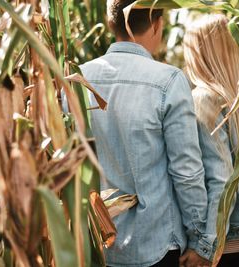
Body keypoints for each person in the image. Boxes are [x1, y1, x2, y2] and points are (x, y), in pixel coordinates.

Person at [78, 1, 221, 266]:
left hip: (95, 246)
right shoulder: (168, 81)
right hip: (156, 246)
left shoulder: (77, 78)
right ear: (157, 24)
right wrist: (201, 241)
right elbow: (186, 171)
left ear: (112, 24)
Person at [183, 14, 239, 266]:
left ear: (197, 54)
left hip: (230, 245)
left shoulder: (203, 100)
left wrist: (206, 245)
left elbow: (223, 180)